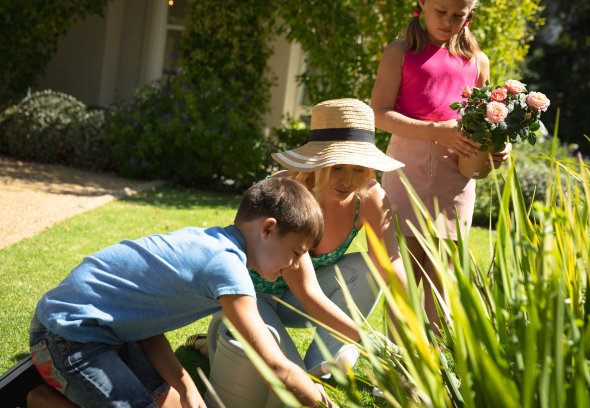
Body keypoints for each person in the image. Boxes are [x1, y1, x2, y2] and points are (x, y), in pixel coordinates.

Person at [25, 177, 338, 408]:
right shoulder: (227, 268)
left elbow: (143, 321)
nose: (296, 264)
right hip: (65, 333)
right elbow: (277, 366)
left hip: (107, 329)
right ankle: (42, 401)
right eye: (296, 252)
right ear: (267, 229)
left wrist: (185, 384)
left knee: (175, 403)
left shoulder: (213, 244)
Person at [188, 98, 408, 378]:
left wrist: (415, 338)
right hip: (253, 298)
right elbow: (308, 292)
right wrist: (371, 341)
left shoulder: (371, 197)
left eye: (358, 168)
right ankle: (221, 342)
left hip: (298, 301)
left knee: (367, 269)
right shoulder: (287, 192)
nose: (347, 181)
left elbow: (392, 267)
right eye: (337, 166)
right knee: (284, 378)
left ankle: (322, 365)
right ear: (318, 161)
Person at [370, 0, 511, 331]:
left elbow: (480, 126)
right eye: (441, 12)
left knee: (443, 283)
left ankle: (437, 375)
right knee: (404, 279)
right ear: (422, 3)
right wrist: (435, 131)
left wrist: (496, 150)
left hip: (457, 179)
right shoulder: (399, 52)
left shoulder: (478, 62)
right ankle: (399, 376)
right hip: (406, 171)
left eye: (458, 16)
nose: (448, 21)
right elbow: (378, 113)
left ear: (470, 15)